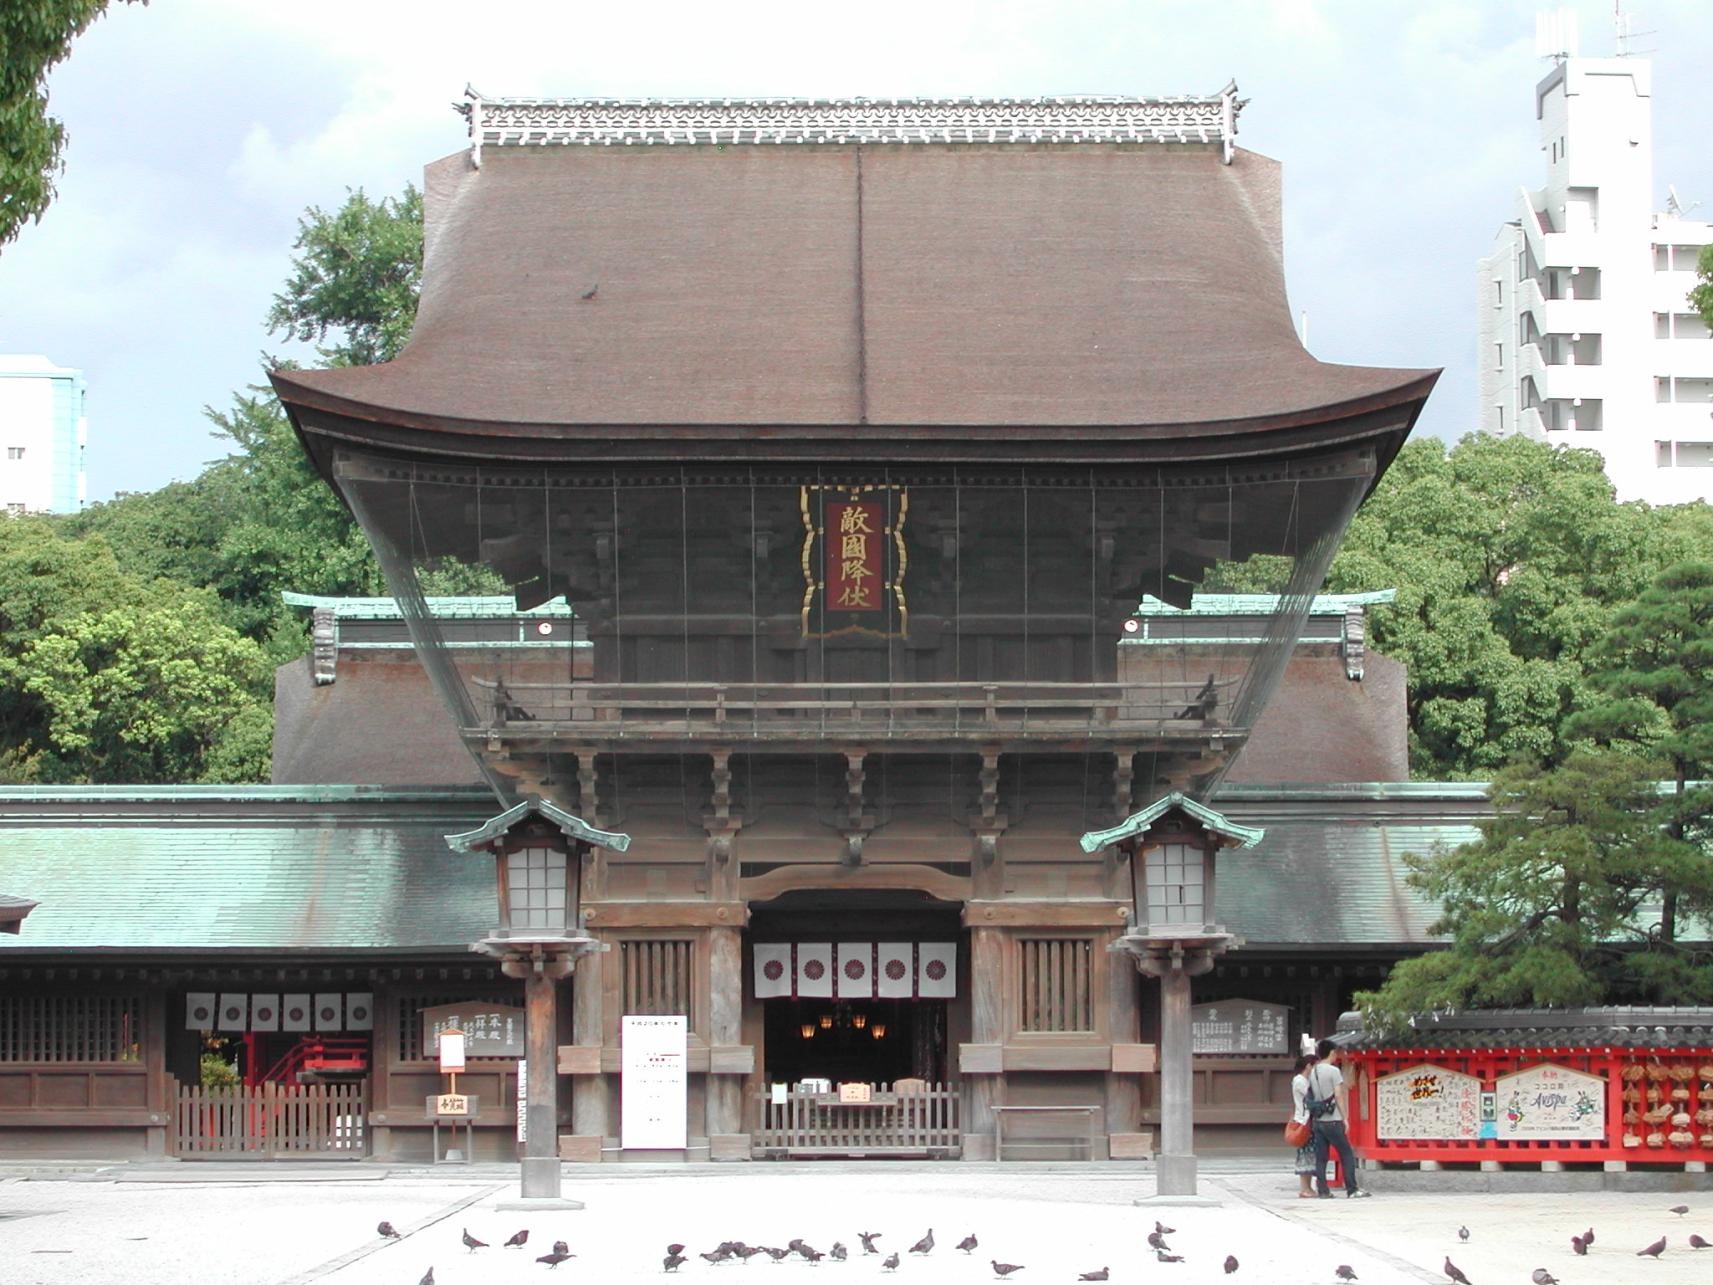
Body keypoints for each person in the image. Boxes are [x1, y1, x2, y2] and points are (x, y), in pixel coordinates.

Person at [1307, 1037, 1370, 1198]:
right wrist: (1345, 1117)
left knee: (1321, 1157)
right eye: (1336, 1053)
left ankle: (1323, 1190)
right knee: (1346, 1153)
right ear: (1332, 1052)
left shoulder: (1313, 1071)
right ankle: (1352, 1189)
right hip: (1333, 1119)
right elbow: (1339, 1095)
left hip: (1318, 1119)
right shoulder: (1334, 1071)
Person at [1289, 1052, 1319, 1197]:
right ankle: (1304, 1187)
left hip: (1306, 1119)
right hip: (1303, 1120)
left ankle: (1308, 1187)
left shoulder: (1303, 1080)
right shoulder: (1300, 1080)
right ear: (1308, 1066)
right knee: (1305, 1153)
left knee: (1310, 1153)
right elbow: (1310, 1096)